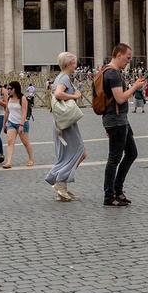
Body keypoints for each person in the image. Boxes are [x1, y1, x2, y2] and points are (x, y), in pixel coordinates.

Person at [97, 43, 145, 207]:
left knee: (131, 153)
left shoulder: (107, 71)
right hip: (116, 120)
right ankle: (109, 195)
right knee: (114, 158)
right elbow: (120, 98)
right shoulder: (113, 74)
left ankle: (118, 189)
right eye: (127, 58)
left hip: (119, 119)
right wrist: (135, 87)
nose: (128, 61)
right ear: (118, 55)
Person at [42, 51, 85, 202]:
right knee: (80, 152)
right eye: (74, 63)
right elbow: (59, 94)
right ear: (68, 64)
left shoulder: (60, 77)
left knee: (67, 154)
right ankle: (59, 181)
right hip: (66, 123)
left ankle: (62, 186)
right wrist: (75, 96)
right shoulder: (64, 78)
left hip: (63, 122)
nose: (76, 65)